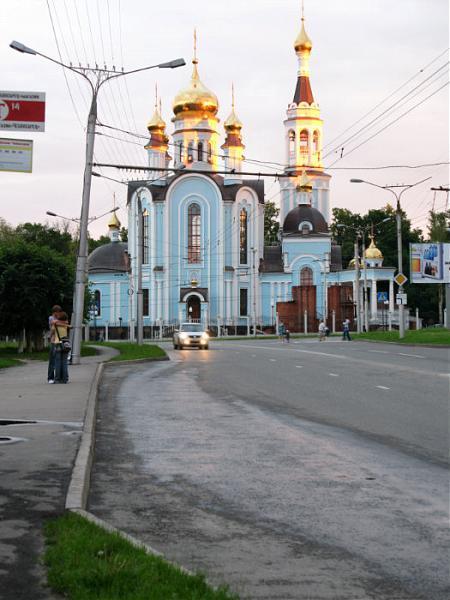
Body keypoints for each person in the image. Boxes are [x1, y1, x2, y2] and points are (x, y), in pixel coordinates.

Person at [53, 311, 71, 384]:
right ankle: (65, 379)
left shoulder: (56, 324)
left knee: (58, 363)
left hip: (58, 344)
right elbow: (67, 324)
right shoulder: (67, 325)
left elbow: (54, 323)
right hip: (65, 344)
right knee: (64, 362)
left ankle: (57, 379)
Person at [47, 305, 62, 383]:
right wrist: (60, 321)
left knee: (58, 360)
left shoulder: (58, 319)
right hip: (53, 341)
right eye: (58, 312)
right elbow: (53, 323)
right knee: (52, 360)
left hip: (59, 341)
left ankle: (58, 377)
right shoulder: (51, 318)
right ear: (55, 312)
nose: (59, 313)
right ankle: (50, 378)